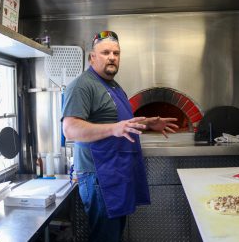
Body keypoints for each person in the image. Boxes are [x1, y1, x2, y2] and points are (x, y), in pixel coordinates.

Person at [62, 30, 179, 242]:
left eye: (116, 53)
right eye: (105, 52)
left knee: (114, 235)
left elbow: (122, 123)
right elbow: (70, 129)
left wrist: (149, 122)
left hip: (117, 171)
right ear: (92, 57)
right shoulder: (82, 85)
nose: (112, 57)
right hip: (99, 176)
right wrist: (114, 129)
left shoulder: (113, 85)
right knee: (105, 237)